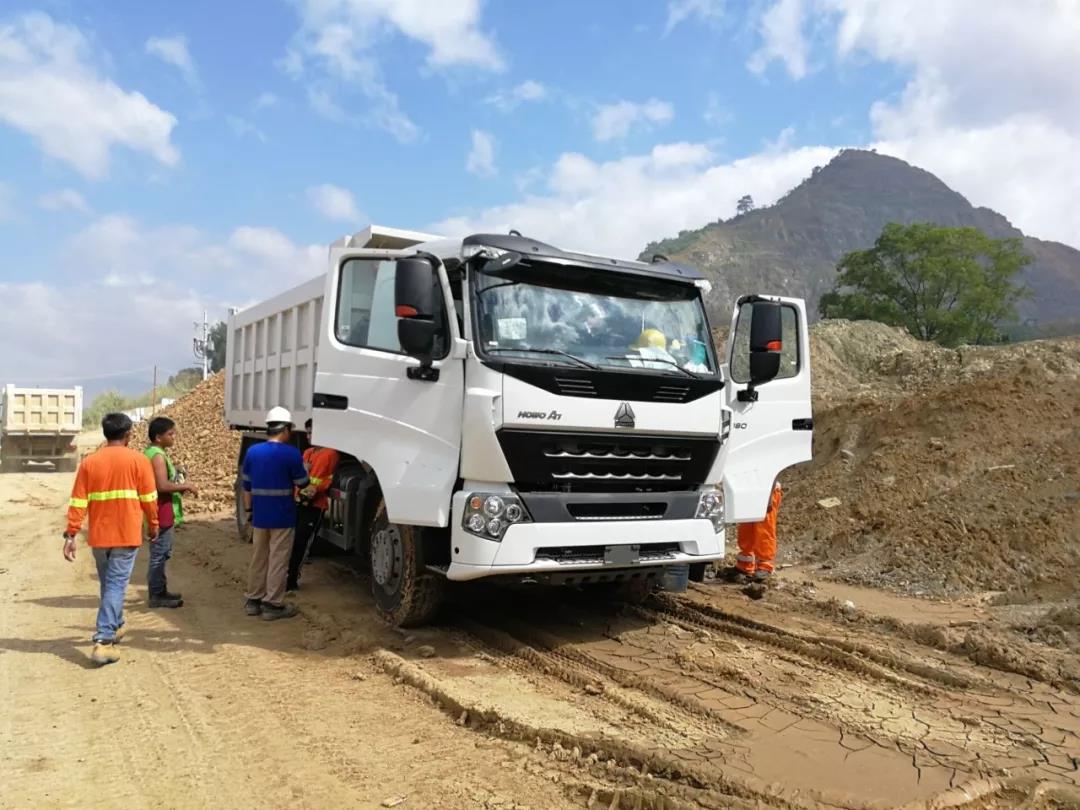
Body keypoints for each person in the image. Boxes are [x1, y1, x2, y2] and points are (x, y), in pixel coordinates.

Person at [63, 413, 159, 666]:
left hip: (99, 536)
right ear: (128, 435)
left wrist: (71, 533)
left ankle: (116, 625)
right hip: (126, 535)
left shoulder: (89, 463)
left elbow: (78, 502)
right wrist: (154, 525)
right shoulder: (138, 461)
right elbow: (149, 500)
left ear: (106, 434)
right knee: (116, 585)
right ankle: (104, 641)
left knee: (109, 584)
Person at [242, 406, 309, 620]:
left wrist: (249, 511)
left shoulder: (253, 452)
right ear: (286, 429)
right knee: (278, 560)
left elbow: (247, 487)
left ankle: (253, 600)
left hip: (260, 515)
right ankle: (272, 604)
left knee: (258, 558)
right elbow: (303, 482)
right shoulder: (291, 454)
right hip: (282, 516)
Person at [144, 417, 198, 609]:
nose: (174, 437)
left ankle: (160, 591)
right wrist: (186, 486)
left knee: (162, 552)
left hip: (161, 508)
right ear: (158, 437)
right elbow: (162, 485)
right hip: (161, 510)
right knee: (159, 554)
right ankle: (157, 595)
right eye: (170, 434)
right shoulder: (157, 455)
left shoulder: (155, 452)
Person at [286, 418, 340, 592]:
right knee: (293, 540)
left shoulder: (331, 454)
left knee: (303, 541)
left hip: (315, 505)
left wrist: (311, 490)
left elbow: (327, 480)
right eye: (307, 433)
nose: (309, 436)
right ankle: (287, 575)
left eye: (312, 433)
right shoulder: (307, 452)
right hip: (299, 501)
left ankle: (292, 578)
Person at [721, 481, 783, 584]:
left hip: (767, 491)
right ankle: (745, 565)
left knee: (764, 531)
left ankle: (765, 567)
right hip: (751, 489)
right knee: (746, 529)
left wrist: (769, 497)